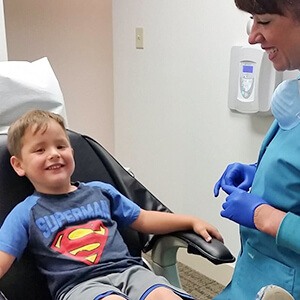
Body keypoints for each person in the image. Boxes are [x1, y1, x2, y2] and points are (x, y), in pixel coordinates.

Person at [0, 109, 223, 300]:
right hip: (79, 286)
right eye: (40, 150)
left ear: (72, 152)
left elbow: (144, 219)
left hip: (129, 270)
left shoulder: (100, 191)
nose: (54, 154)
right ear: (19, 165)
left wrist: (191, 220)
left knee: (163, 295)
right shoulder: (25, 213)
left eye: (61, 146)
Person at [214, 0, 300, 299]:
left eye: (263, 21)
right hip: (254, 273)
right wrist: (258, 172)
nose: (252, 36)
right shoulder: (294, 94)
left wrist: (264, 215)